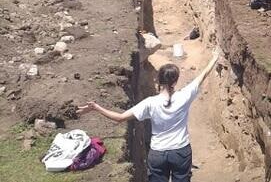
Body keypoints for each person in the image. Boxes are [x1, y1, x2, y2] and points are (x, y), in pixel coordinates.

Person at [77, 53, 219, 182]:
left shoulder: (150, 103)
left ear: (158, 81)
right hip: (180, 152)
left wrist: (96, 107)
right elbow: (202, 76)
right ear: (175, 82)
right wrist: (213, 58)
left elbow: (120, 118)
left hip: (158, 154)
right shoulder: (184, 96)